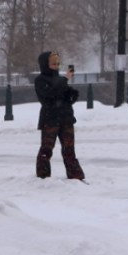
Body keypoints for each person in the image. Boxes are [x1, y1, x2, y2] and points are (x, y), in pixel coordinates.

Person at [35, 51, 85, 180]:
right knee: (47, 149)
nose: (56, 66)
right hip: (50, 119)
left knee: (69, 149)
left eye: (58, 63)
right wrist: (65, 80)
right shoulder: (40, 80)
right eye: (53, 63)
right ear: (46, 64)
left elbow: (63, 96)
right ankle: (43, 176)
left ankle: (75, 175)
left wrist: (71, 95)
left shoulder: (60, 79)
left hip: (66, 118)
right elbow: (49, 95)